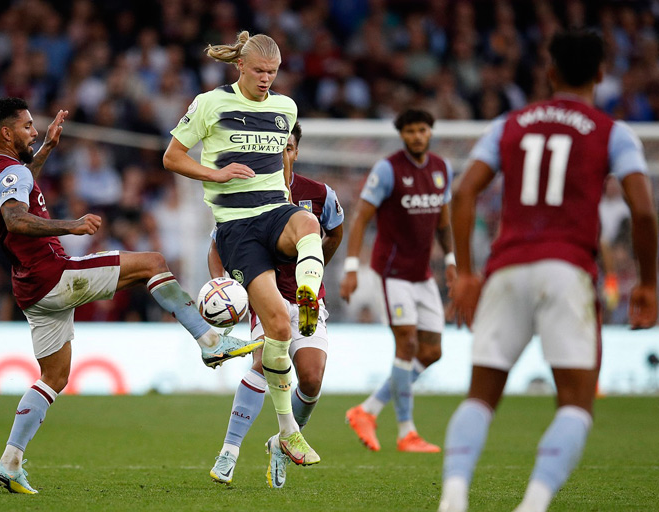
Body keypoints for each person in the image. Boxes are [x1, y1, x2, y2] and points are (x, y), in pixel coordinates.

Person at [0, 97, 261, 495]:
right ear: (6, 133)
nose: (34, 130)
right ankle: (211, 340)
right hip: (53, 275)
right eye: (27, 127)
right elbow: (15, 219)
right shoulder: (11, 172)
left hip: (29, 289)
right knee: (152, 261)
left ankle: (9, 461)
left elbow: (21, 187)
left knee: (54, 377)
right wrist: (72, 225)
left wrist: (46, 151)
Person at [438, 30, 658, 512]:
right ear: (601, 74)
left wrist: (470, 274)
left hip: (506, 268)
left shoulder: (509, 124)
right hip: (567, 270)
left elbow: (463, 192)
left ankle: (453, 498)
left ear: (550, 72)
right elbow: (642, 211)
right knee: (576, 405)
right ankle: (533, 504)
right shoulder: (612, 131)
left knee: (480, 398)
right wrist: (649, 283)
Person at [163, 31, 326, 466]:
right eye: (259, 72)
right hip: (236, 227)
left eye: (272, 73)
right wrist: (214, 175)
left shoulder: (285, 108)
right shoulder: (210, 103)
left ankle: (308, 295)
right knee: (277, 327)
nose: (266, 80)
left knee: (309, 223)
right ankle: (288, 431)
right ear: (240, 67)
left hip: (274, 210)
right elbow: (172, 157)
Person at [207, 123, 344, 488]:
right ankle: (229, 452)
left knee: (312, 380)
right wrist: (223, 286)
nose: (282, 153)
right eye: (276, 148)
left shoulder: (318, 194)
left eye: (289, 148)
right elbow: (218, 245)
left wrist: (316, 266)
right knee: (261, 363)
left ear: (296, 151)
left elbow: (336, 231)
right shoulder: (247, 194)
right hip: (267, 296)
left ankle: (280, 444)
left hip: (308, 301)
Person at [340, 108, 456, 453]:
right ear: (402, 135)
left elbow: (444, 222)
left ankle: (367, 410)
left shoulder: (442, 169)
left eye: (422, 130)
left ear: (430, 132)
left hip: (422, 274)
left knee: (432, 351)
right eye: (410, 131)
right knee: (406, 345)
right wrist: (350, 268)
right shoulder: (388, 170)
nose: (417, 136)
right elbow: (361, 218)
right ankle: (407, 431)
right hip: (392, 274)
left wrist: (450, 261)